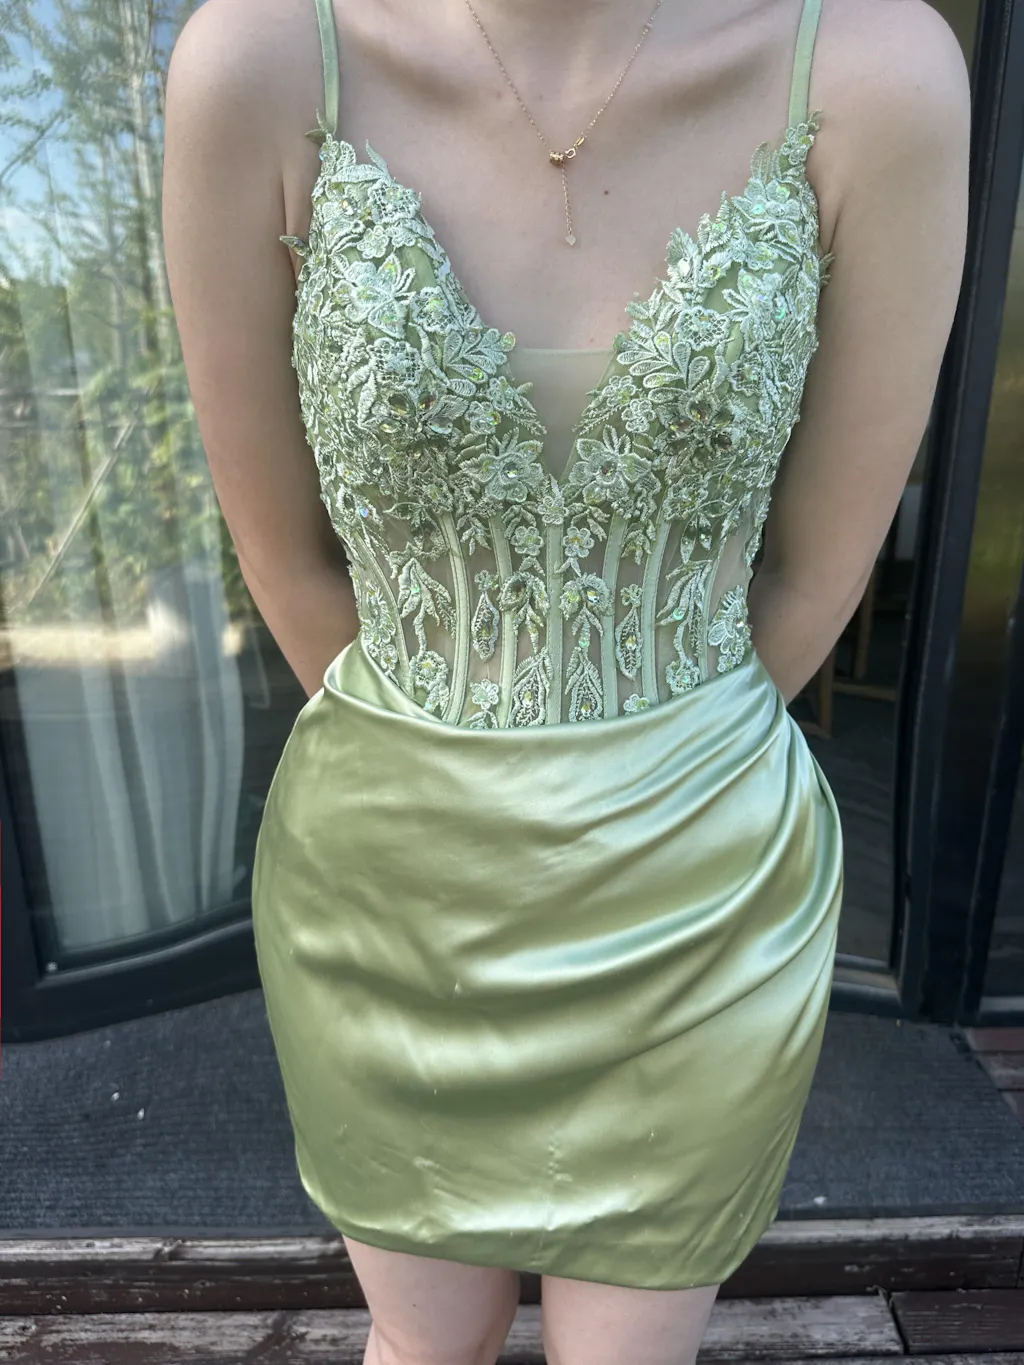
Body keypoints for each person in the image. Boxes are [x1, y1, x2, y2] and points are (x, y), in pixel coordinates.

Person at [162, 0, 970, 1360]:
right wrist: (448, 762)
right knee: (425, 1345)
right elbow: (286, 563)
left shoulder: (879, 74)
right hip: (390, 897)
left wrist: (636, 760)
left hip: (693, 900)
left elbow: (814, 578)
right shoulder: (257, 62)